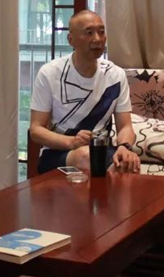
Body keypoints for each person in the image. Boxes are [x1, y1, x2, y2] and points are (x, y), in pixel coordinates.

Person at [29, 10, 141, 174]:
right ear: (71, 40)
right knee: (86, 156)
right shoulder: (50, 73)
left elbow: (125, 126)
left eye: (101, 32)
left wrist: (125, 147)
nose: (97, 39)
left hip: (101, 150)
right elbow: (36, 130)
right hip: (58, 152)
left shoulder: (115, 75)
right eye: (89, 33)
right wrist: (71, 142)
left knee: (126, 164)